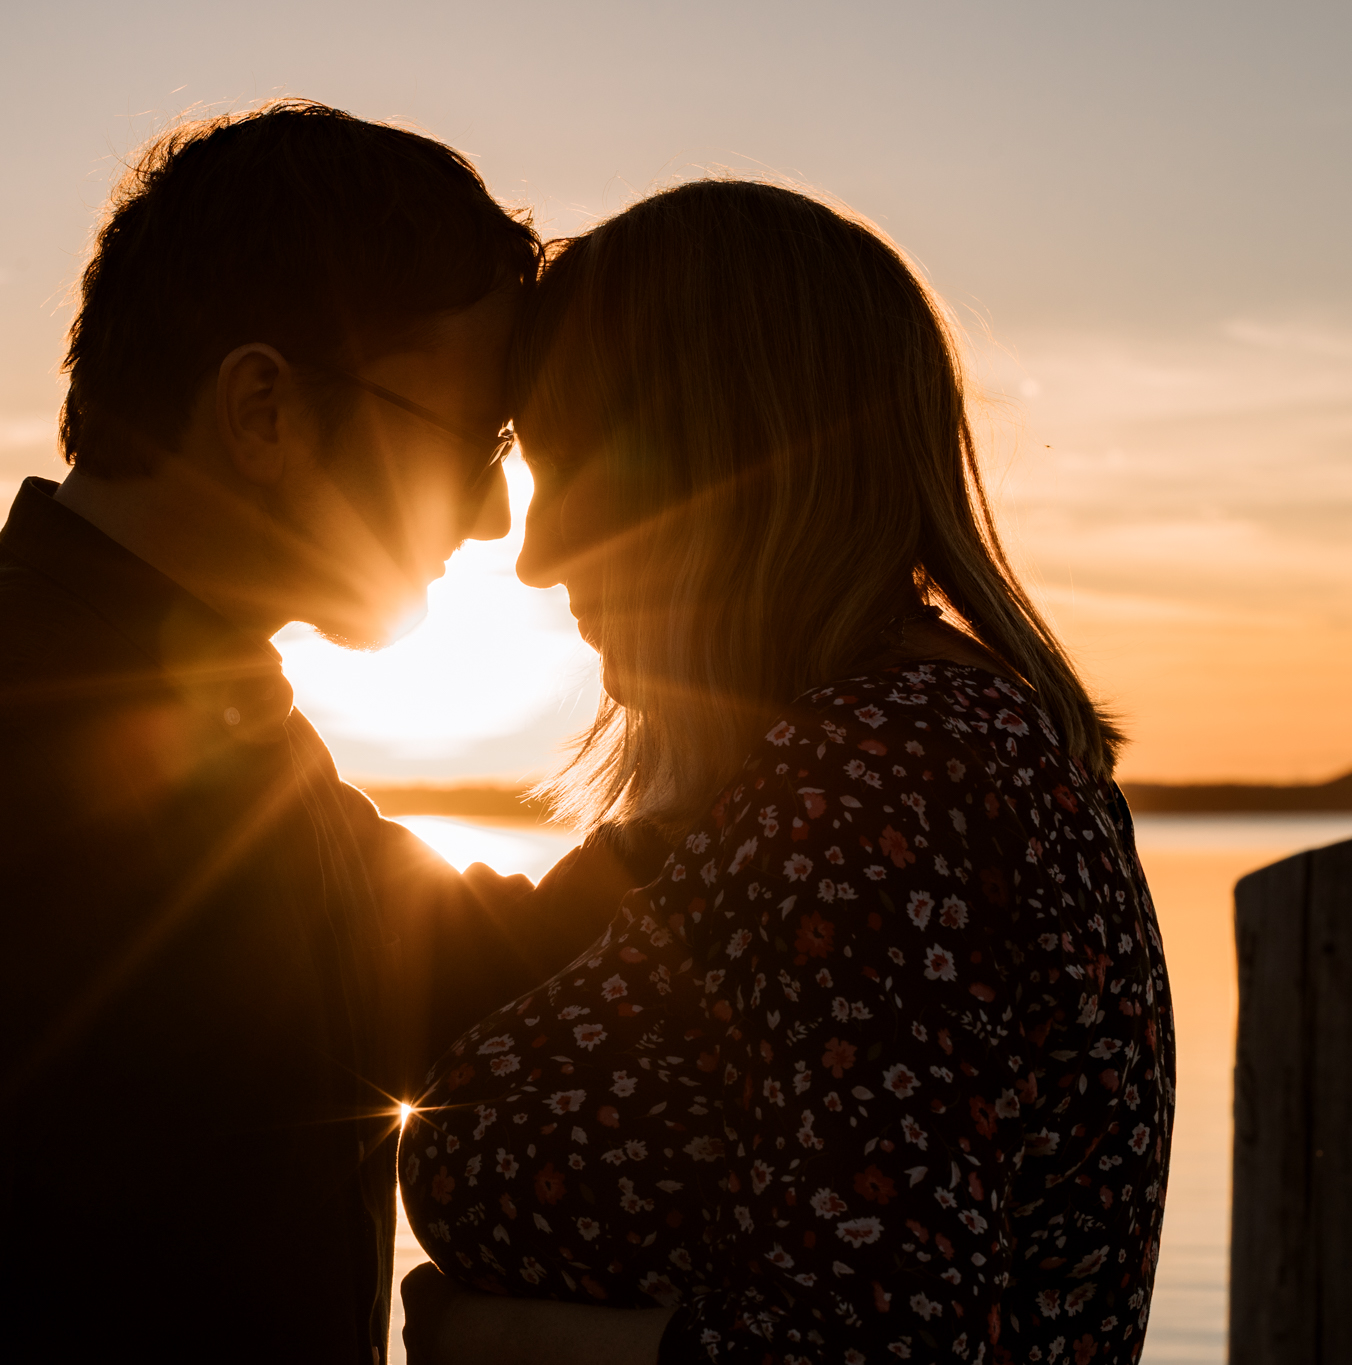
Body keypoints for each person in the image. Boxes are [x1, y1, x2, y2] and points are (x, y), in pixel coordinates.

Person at [0, 101, 657, 1363]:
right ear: (264, 409)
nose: (486, 520)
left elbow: (460, 965)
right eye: (476, 443)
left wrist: (807, 795)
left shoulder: (197, 713)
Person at [398, 180, 1175, 1364]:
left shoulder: (880, 789)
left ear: (714, 469)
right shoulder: (888, 762)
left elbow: (879, 1348)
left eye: (567, 469)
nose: (536, 554)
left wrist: (496, 1337)